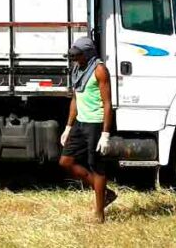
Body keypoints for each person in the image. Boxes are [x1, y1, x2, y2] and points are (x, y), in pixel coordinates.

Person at [59, 36, 116, 223]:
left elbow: (107, 103)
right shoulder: (78, 69)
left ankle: (100, 213)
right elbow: (75, 99)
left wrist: (105, 134)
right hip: (80, 123)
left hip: (96, 124)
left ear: (88, 53)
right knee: (65, 161)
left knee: (97, 167)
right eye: (74, 56)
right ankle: (105, 193)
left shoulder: (99, 70)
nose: (75, 59)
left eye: (78, 56)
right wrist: (68, 127)